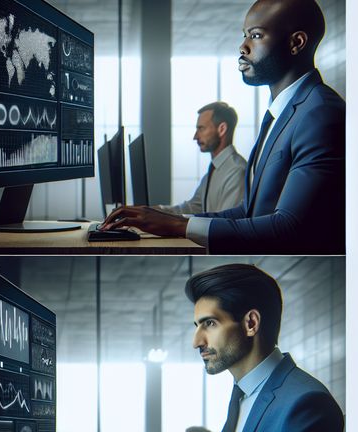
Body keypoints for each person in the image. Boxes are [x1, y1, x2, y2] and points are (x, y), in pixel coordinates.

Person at [83, 263, 343, 432]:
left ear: (251, 323)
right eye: (197, 326)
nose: (196, 341)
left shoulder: (306, 403)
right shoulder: (242, 397)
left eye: (209, 323)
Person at [103, 0, 345, 255]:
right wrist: (162, 221)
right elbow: (248, 212)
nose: (242, 46)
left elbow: (290, 227)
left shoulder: (320, 113)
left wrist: (177, 225)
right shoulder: (281, 113)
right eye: (245, 36)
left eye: (256, 35)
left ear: (296, 43)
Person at [155, 103, 246, 214]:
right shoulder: (214, 170)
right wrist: (154, 212)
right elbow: (193, 207)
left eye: (201, 128)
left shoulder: (236, 171)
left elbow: (225, 224)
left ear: (222, 129)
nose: (195, 136)